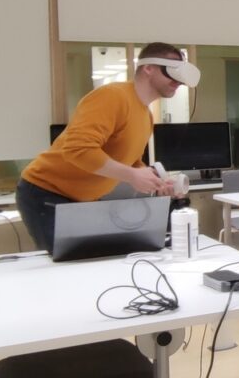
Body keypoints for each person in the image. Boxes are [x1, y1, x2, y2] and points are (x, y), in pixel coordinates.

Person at [17, 42, 200, 251]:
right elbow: (77, 149)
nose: (178, 82)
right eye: (172, 72)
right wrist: (131, 176)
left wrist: (153, 179)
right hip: (45, 191)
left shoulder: (145, 116)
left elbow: (130, 161)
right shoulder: (113, 96)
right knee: (65, 266)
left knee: (88, 260)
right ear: (148, 68)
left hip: (82, 199)